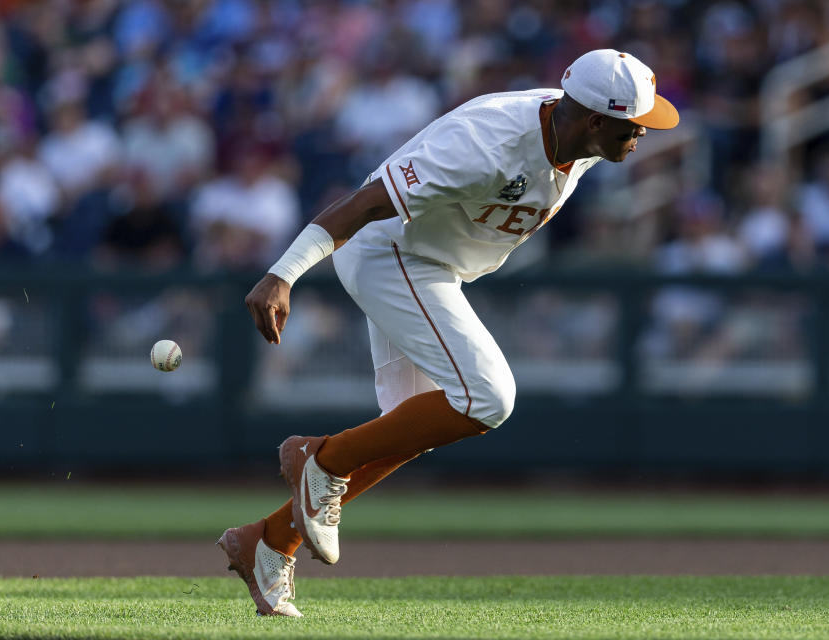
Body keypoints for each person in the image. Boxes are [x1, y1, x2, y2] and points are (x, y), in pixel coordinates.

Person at [218, 49, 679, 617]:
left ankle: (267, 542)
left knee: (411, 426)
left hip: (436, 267)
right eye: (635, 125)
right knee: (489, 397)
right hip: (394, 255)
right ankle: (321, 459)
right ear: (594, 121)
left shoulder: (578, 136)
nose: (642, 135)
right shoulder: (485, 141)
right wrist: (283, 274)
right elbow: (364, 204)